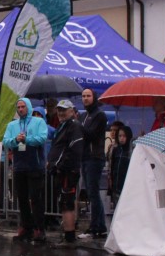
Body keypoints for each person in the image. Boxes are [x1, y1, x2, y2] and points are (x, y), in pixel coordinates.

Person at [1, 97, 49, 243]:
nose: (20, 109)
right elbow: (5, 141)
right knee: (21, 199)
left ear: (28, 107)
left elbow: (42, 138)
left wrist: (26, 139)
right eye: (19, 107)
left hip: (35, 165)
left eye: (23, 107)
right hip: (19, 166)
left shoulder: (38, 122)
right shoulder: (12, 125)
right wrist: (16, 140)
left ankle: (39, 228)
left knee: (35, 198)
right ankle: (26, 227)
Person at [47, 99, 84, 244]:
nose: (61, 113)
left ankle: (69, 238)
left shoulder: (74, 126)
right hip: (61, 171)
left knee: (67, 202)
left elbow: (74, 149)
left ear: (72, 111)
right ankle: (68, 234)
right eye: (59, 110)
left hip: (68, 171)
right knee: (64, 202)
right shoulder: (62, 126)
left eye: (64, 110)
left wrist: (59, 166)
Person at [78, 88, 108, 239]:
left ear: (94, 97)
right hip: (84, 157)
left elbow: (91, 135)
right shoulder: (83, 116)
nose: (85, 98)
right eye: (83, 96)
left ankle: (96, 226)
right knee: (91, 192)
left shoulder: (99, 115)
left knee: (93, 192)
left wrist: (78, 126)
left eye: (88, 96)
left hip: (94, 157)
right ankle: (100, 226)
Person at [108, 124, 133, 204]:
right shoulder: (115, 150)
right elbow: (111, 166)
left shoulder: (131, 151)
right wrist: (110, 180)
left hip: (127, 186)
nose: (121, 138)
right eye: (120, 136)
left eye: (124, 136)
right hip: (116, 185)